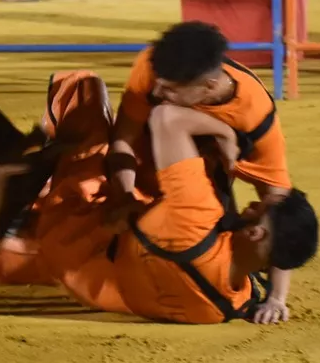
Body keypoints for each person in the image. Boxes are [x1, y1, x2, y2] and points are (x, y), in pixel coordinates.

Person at [0, 69, 318, 324]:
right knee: (68, 258)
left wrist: (222, 133)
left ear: (256, 234)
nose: (252, 204)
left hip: (78, 232)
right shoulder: (226, 307)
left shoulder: (196, 215)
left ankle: (34, 175)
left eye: (258, 211)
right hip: (97, 282)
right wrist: (276, 298)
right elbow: (274, 243)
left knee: (83, 90)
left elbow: (168, 119)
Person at [106, 21, 297, 323]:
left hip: (197, 192)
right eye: (158, 82)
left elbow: (281, 207)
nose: (157, 91)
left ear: (208, 87)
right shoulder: (155, 65)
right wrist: (124, 197)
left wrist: (276, 297)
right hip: (136, 173)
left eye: (170, 89)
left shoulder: (255, 116)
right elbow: (122, 141)